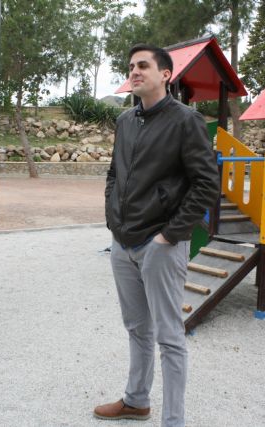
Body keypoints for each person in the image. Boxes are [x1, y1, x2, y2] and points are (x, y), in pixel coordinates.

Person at [94, 44, 220, 426]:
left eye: (143, 65)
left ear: (166, 74)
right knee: (137, 328)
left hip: (160, 244)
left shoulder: (186, 121)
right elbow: (114, 174)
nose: (134, 71)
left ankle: (173, 421)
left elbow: (206, 184)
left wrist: (169, 236)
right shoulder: (125, 121)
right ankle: (136, 401)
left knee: (169, 337)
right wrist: (113, 219)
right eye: (131, 66)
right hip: (123, 243)